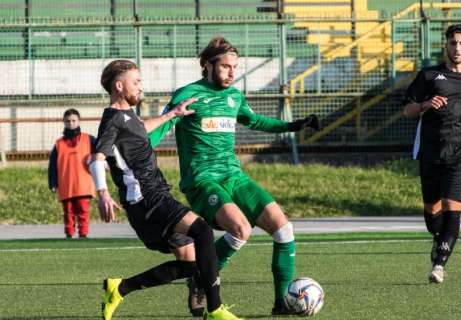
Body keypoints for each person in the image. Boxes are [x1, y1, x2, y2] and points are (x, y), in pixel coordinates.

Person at [148, 36, 320, 316]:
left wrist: (293, 125)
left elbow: (256, 121)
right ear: (207, 64)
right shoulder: (188, 94)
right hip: (203, 181)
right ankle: (201, 281)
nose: (231, 72)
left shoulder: (234, 97)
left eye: (235, 67)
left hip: (233, 175)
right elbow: (160, 128)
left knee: (283, 229)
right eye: (226, 66)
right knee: (241, 230)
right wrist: (139, 153)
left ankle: (281, 304)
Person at [92, 59, 242, 320]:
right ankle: (216, 309)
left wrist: (173, 114)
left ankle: (121, 288)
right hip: (146, 198)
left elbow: (140, 129)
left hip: (154, 195)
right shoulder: (112, 119)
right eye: (135, 82)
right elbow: (96, 158)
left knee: (192, 264)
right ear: (119, 85)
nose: (141, 87)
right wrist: (102, 192)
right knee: (203, 232)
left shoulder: (128, 116)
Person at [402, 24, 461, 284]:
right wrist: (427, 104)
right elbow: (407, 110)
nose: (457, 47)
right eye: (453, 43)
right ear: (446, 46)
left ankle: (438, 264)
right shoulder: (429, 76)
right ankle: (437, 239)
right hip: (430, 151)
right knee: (432, 210)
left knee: (453, 209)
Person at [48, 108, 96, 238]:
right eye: (68, 121)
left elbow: (102, 152)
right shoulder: (59, 144)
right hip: (66, 184)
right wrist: (53, 183)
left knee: (83, 211)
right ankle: (69, 234)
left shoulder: (89, 139)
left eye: (74, 121)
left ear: (79, 122)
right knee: (68, 212)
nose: (71, 124)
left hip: (83, 184)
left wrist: (102, 163)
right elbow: (52, 166)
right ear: (64, 122)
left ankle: (83, 234)